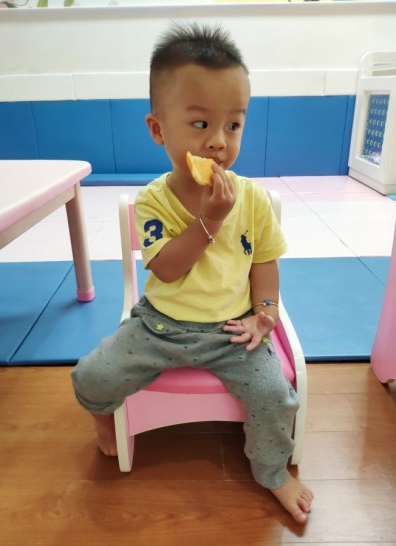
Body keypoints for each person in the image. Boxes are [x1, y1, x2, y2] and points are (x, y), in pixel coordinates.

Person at [71, 22, 314, 524]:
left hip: (231, 331)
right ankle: (107, 420)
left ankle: (271, 471)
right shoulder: (153, 200)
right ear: (158, 129)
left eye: (234, 125)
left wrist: (265, 314)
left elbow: (264, 262)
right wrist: (209, 221)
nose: (219, 142)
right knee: (92, 377)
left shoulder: (252, 199)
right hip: (159, 326)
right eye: (201, 124)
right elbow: (166, 268)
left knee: (276, 397)